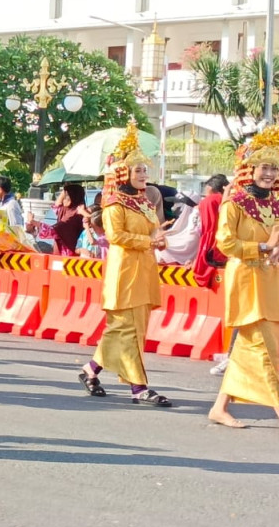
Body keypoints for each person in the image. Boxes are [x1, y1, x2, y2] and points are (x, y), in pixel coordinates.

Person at [76, 122, 171, 406]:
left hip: (144, 269)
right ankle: (139, 388)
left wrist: (160, 237)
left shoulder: (144, 202)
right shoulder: (114, 203)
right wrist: (148, 241)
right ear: (124, 173)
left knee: (123, 330)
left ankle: (90, 370)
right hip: (125, 271)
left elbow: (151, 232)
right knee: (127, 330)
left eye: (145, 169)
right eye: (137, 170)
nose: (143, 174)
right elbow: (115, 236)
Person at [207, 126, 279, 428]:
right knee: (267, 349)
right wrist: (264, 247)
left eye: (274, 167)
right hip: (246, 280)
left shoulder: (275, 203)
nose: (270, 173)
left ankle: (219, 407)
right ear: (251, 168)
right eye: (265, 166)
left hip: (270, 280)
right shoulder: (234, 201)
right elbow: (226, 244)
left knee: (251, 348)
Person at [28, 184, 87, 257]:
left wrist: (33, 221)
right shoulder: (67, 210)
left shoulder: (74, 215)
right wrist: (64, 191)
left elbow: (51, 231)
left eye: (66, 197)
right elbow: (56, 205)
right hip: (60, 252)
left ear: (72, 198)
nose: (63, 199)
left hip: (68, 254)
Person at [194, 174, 230, 288]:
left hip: (211, 240)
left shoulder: (207, 201)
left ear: (209, 187)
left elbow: (206, 226)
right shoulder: (229, 199)